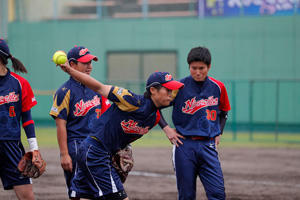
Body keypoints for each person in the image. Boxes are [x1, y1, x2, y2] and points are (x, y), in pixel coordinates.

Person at [57, 60, 184, 200]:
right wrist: (70, 70)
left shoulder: (153, 117)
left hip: (97, 152)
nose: (171, 94)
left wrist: (123, 148)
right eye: (168, 90)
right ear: (153, 90)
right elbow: (98, 87)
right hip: (95, 151)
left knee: (85, 197)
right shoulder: (130, 101)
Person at [159, 46, 231, 200]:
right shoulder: (178, 88)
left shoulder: (218, 87)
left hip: (208, 145)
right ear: (189, 67)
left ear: (209, 67)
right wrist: (166, 129)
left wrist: (219, 131)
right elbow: (154, 107)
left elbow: (224, 112)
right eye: (194, 68)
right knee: (186, 195)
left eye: (202, 68)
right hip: (184, 145)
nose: (198, 72)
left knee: (218, 194)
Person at [49, 46, 110, 199]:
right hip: (76, 146)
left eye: (91, 62)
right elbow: (60, 124)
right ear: (72, 64)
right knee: (76, 191)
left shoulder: (95, 87)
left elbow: (105, 117)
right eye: (85, 63)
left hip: (96, 144)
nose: (90, 66)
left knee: (100, 190)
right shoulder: (64, 91)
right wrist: (64, 154)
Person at [0, 38, 44, 200]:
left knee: (27, 196)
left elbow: (27, 119)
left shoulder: (19, 83)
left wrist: (34, 148)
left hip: (12, 146)